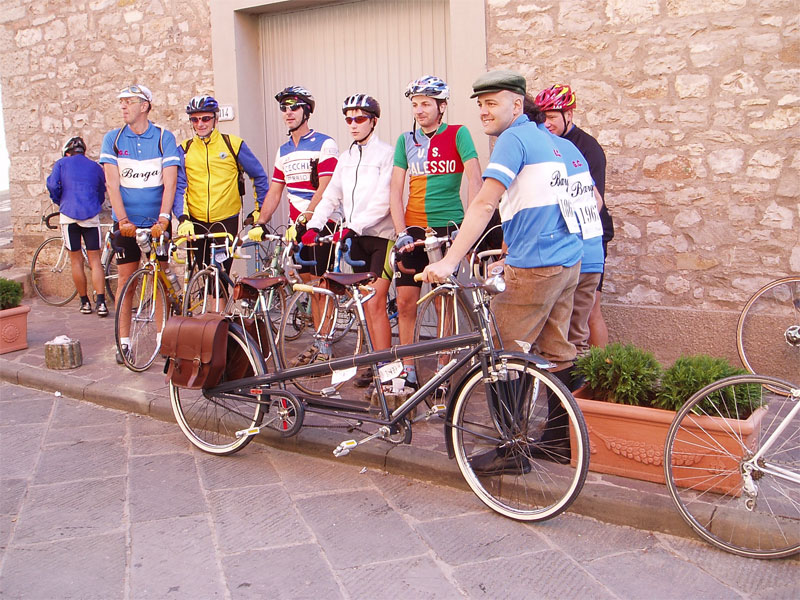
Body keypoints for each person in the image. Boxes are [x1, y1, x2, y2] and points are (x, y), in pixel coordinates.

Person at [423, 70, 583, 469]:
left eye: (492, 103)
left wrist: (448, 260)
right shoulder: (557, 143)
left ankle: (513, 451)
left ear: (517, 103)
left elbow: (483, 203)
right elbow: (588, 202)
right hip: (568, 263)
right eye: (479, 104)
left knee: (500, 354)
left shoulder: (513, 139)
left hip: (535, 267)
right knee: (558, 351)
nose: (483, 111)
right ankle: (560, 441)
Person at [389, 75, 482, 389]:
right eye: (415, 104)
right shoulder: (406, 141)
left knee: (443, 301)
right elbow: (395, 191)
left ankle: (443, 367)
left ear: (442, 106)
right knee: (405, 301)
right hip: (413, 229)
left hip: (448, 227)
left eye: (426, 103)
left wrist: (469, 228)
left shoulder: (458, 134)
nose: (419, 110)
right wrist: (400, 231)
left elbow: (476, 182)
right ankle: (408, 369)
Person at [300, 94, 394, 382]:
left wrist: (354, 225)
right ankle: (374, 361)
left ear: (373, 121)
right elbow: (331, 195)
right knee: (365, 304)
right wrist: (314, 225)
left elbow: (384, 198)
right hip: (355, 238)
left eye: (360, 119)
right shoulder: (346, 157)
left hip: (381, 236)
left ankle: (386, 371)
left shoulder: (386, 154)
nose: (353, 125)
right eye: (349, 119)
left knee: (376, 302)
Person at [249, 86, 339, 366]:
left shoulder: (325, 144)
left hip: (321, 224)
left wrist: (306, 220)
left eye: (294, 107)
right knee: (308, 284)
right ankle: (319, 337)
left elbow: (326, 187)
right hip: (297, 226)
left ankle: (324, 346)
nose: (288, 113)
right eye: (284, 108)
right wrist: (261, 221)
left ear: (306, 111)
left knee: (320, 285)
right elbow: (276, 190)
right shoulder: (284, 150)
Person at [99, 84, 182, 364]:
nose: (123, 107)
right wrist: (122, 220)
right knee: (126, 281)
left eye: (129, 102)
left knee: (160, 278)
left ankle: (162, 339)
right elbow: (112, 183)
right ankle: (124, 342)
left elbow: (170, 181)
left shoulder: (163, 138)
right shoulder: (113, 139)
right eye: (121, 102)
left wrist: (164, 217)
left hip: (157, 223)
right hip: (126, 225)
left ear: (145, 106)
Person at [523, 96, 605, 356]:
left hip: (565, 255)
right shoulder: (569, 148)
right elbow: (596, 200)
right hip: (590, 252)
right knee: (576, 338)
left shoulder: (541, 150)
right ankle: (577, 395)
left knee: (550, 342)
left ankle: (565, 397)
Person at [175, 95, 269, 274]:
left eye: (205, 118)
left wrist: (260, 210)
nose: (200, 124)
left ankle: (220, 301)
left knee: (220, 277)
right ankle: (210, 303)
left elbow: (259, 176)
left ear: (215, 119)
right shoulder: (185, 149)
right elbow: (180, 187)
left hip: (225, 221)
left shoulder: (232, 144)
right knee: (205, 276)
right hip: (196, 222)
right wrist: (182, 218)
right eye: (195, 119)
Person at [46, 136, 108, 316]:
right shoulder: (95, 167)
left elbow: (52, 184)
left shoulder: (61, 163)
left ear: (67, 152)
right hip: (90, 214)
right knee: (95, 260)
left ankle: (85, 303)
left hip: (69, 216)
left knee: (76, 260)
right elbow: (101, 190)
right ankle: (102, 303)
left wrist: (60, 200)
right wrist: (95, 203)